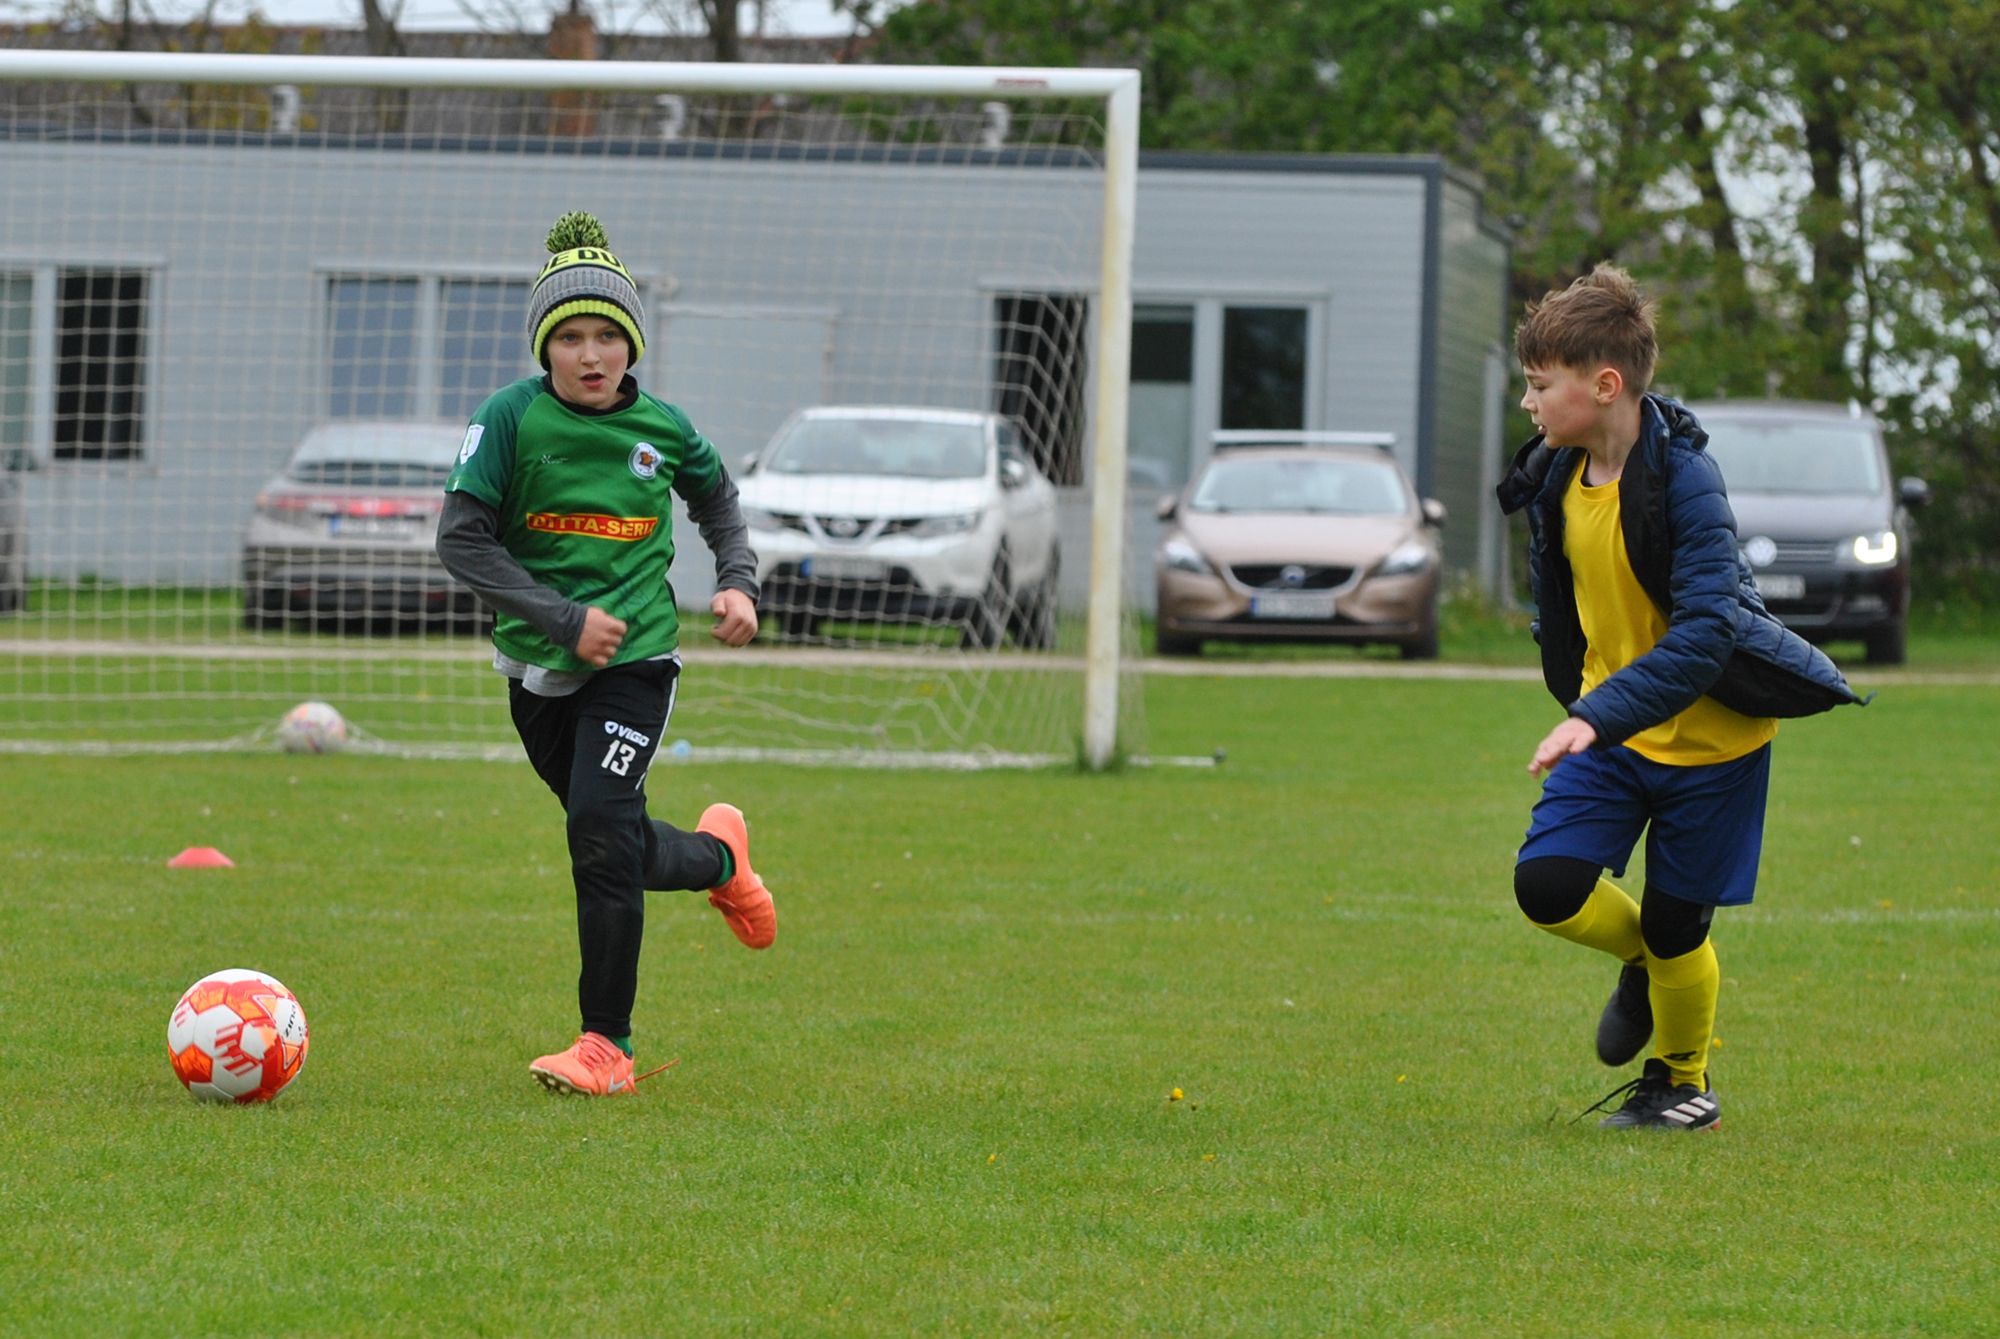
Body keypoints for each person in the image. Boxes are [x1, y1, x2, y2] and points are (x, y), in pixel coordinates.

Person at [1493, 264, 1865, 1130]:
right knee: (1546, 885)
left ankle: (1682, 1082)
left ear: (1605, 384)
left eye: (1540, 385)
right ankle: (1647, 964)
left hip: (1711, 745)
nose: (1528, 404)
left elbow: (1705, 636)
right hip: (1616, 731)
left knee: (1676, 924)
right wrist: (1588, 700)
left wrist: (1591, 713)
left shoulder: (1688, 482)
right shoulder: (1557, 476)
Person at [437, 210, 775, 1098]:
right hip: (539, 667)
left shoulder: (663, 428)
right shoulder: (508, 420)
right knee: (614, 837)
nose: (591, 355)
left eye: (608, 336)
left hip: (636, 661)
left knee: (595, 830)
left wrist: (736, 580)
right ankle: (719, 860)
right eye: (571, 337)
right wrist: (559, 619)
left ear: (632, 344)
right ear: (545, 348)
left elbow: (719, 500)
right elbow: (463, 543)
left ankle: (605, 1047)